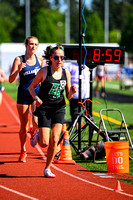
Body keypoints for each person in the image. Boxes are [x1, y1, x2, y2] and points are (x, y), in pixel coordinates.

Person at [29, 44, 77, 178]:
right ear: (51, 58)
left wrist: (72, 92)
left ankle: (47, 168)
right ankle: (38, 133)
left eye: (62, 57)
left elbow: (67, 95)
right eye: (56, 57)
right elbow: (31, 87)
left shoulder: (66, 73)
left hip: (59, 108)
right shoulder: (44, 72)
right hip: (45, 108)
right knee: (44, 143)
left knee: (55, 139)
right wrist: (36, 97)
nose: (60, 60)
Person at [9, 36, 44, 163]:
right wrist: (18, 69)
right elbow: (10, 80)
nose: (33, 46)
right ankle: (23, 150)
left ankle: (34, 131)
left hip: (36, 94)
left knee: (36, 122)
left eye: (35, 44)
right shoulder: (19, 59)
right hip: (23, 93)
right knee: (23, 126)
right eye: (30, 44)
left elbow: (42, 77)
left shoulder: (40, 59)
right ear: (26, 45)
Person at [63, 62, 90, 128]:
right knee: (75, 112)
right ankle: (77, 127)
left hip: (85, 94)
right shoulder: (70, 65)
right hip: (75, 94)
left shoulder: (87, 67)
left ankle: (89, 126)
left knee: (87, 113)